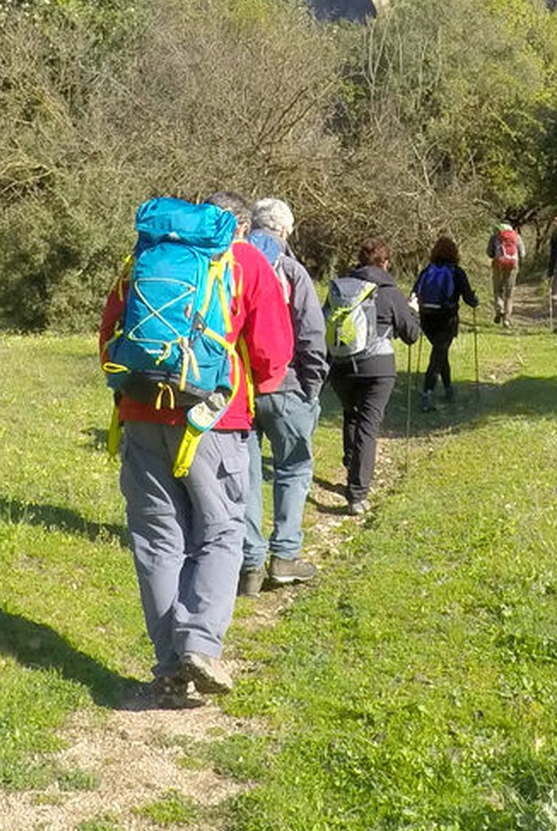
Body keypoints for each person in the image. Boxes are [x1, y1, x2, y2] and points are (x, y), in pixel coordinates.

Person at [100, 192, 292, 705]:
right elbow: (273, 353)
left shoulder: (141, 258)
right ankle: (200, 645)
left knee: (157, 541)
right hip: (214, 418)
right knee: (222, 532)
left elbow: (109, 337)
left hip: (140, 414)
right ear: (234, 224)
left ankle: (169, 667)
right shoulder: (245, 260)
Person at [239, 196, 328, 595]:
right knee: (292, 468)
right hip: (286, 386)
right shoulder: (291, 270)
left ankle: (250, 564)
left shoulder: (232, 263)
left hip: (240, 388)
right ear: (286, 230)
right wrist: (312, 387)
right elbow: (311, 334)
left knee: (247, 475)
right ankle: (285, 557)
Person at [322, 240, 421, 516]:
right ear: (385, 263)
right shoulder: (389, 292)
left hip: (341, 365)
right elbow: (411, 335)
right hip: (378, 367)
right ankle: (357, 494)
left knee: (351, 415)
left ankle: (352, 467)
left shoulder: (340, 288)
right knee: (368, 424)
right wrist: (413, 310)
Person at [412, 235, 479, 406]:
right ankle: (427, 392)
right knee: (438, 354)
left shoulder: (427, 270)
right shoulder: (457, 272)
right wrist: (475, 300)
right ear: (454, 253)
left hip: (427, 319)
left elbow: (414, 293)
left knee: (441, 352)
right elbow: (469, 299)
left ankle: (449, 388)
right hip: (446, 319)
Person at [485, 214, 523, 325]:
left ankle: (499, 309)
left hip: (498, 265)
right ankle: (506, 319)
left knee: (498, 290)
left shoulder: (494, 236)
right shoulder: (517, 237)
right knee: (509, 293)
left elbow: (489, 252)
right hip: (512, 266)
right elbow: (522, 253)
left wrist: (496, 255)